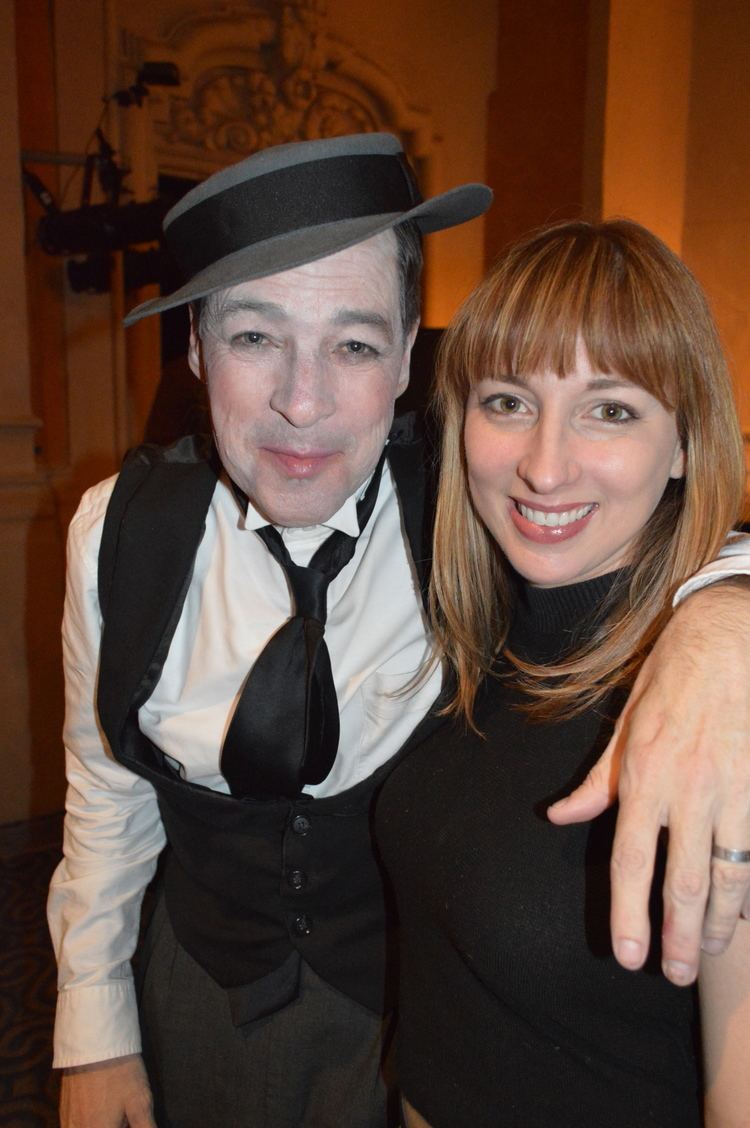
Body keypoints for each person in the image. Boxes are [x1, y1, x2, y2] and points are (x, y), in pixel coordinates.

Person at [47, 135, 750, 1128]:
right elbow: (107, 791)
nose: (303, 402)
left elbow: (657, 513)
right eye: (255, 338)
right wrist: (95, 1032)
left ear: (412, 354)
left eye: (354, 344)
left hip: (408, 1001)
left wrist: (730, 616)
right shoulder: (114, 531)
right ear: (195, 344)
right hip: (196, 988)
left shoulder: (473, 508)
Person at [375, 218, 750, 1127]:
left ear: (690, 444)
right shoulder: (472, 636)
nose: (544, 466)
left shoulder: (706, 725)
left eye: (610, 409)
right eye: (508, 401)